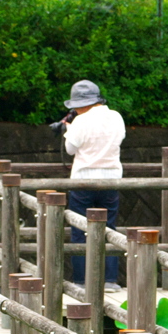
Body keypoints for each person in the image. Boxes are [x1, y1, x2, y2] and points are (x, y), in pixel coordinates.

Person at [60, 80, 125, 292]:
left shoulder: (80, 121)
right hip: (111, 179)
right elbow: (120, 139)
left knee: (80, 230)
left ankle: (81, 280)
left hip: (83, 179)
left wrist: (68, 130)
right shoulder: (116, 117)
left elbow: (70, 149)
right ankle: (110, 280)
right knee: (109, 228)